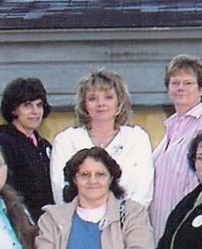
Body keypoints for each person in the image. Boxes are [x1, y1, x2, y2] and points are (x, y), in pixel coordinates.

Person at [150, 54, 202, 237]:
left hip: (195, 233)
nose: (180, 88)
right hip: (163, 233)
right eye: (175, 82)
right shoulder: (170, 130)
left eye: (187, 83)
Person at [49, 67, 155, 209]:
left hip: (127, 224)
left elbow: (143, 191)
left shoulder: (137, 138)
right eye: (93, 98)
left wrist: (121, 221)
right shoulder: (66, 140)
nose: (101, 104)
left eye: (108, 97)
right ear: (84, 105)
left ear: (120, 102)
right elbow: (61, 190)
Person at [0, 76, 55, 216]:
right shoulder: (3, 143)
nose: (35, 111)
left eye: (39, 105)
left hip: (47, 224)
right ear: (14, 110)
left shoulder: (44, 145)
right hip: (20, 224)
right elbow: (5, 191)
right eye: (27, 105)